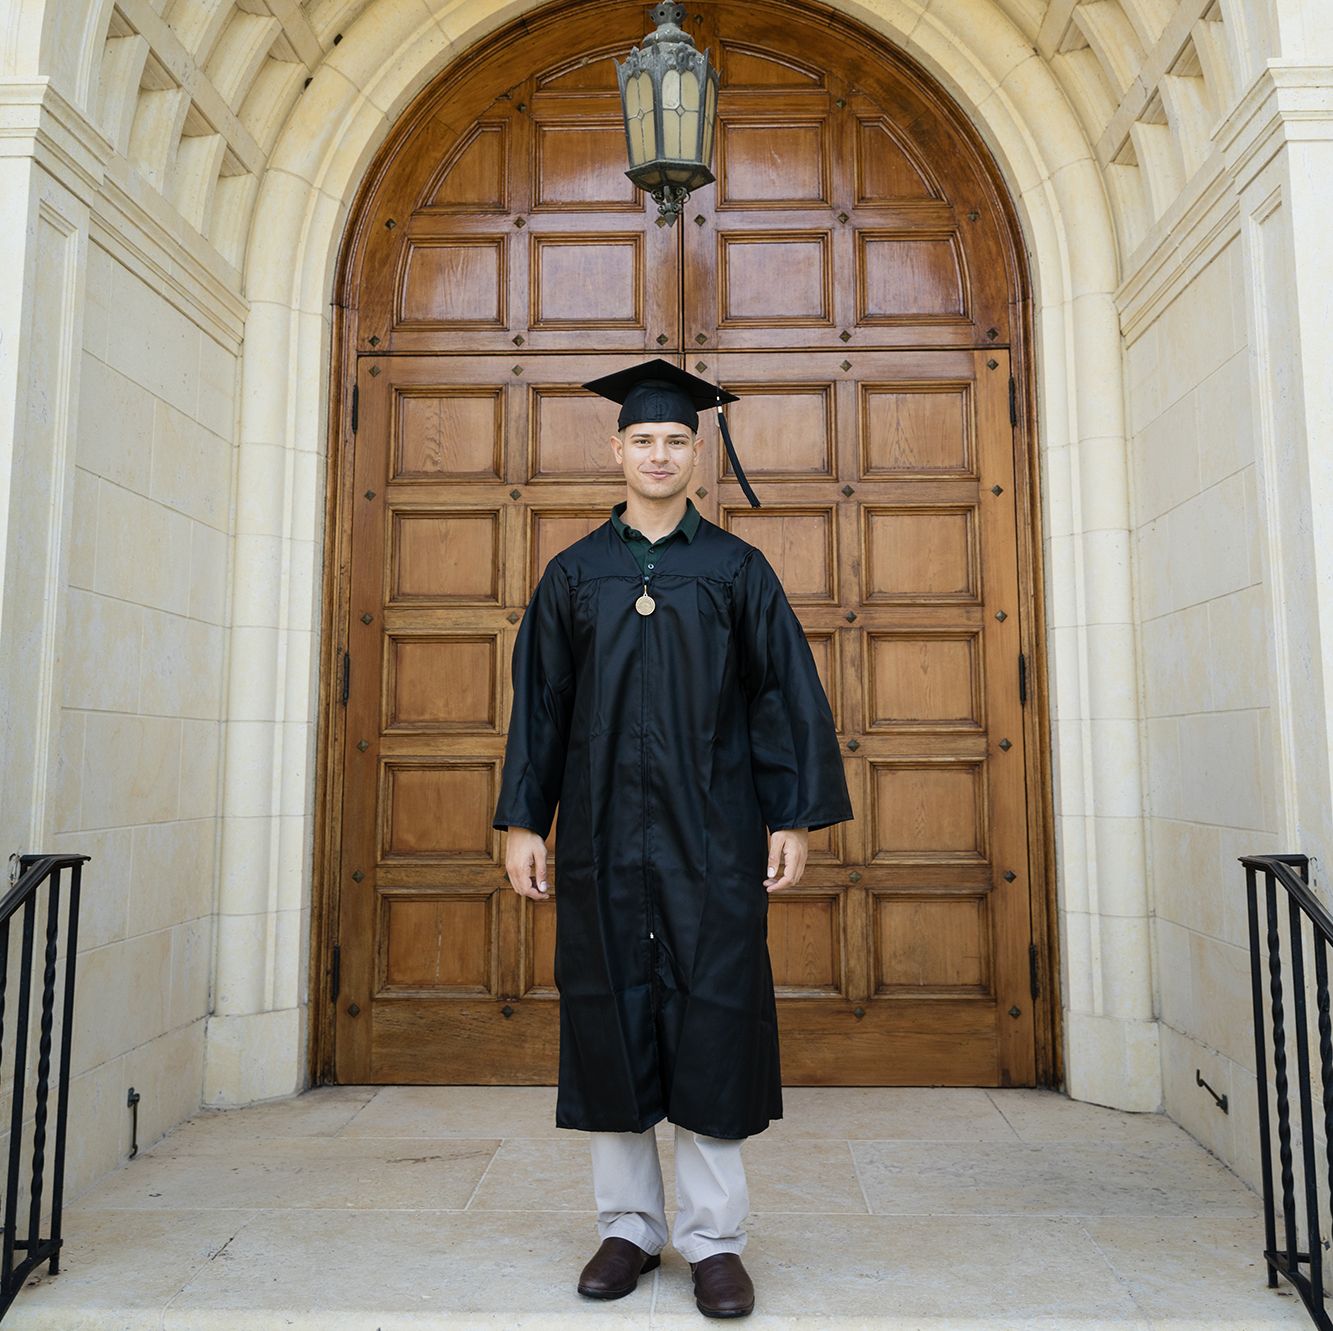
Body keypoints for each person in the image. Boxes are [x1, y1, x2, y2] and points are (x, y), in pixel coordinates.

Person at [491, 359, 853, 1319]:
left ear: (698, 454)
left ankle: (712, 1239)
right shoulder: (574, 573)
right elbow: (540, 709)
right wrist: (525, 820)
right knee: (608, 1013)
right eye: (643, 440)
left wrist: (791, 816)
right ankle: (627, 1228)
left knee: (713, 1018)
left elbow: (783, 698)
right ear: (615, 450)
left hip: (713, 833)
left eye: (675, 440)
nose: (658, 454)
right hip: (603, 835)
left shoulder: (735, 570)